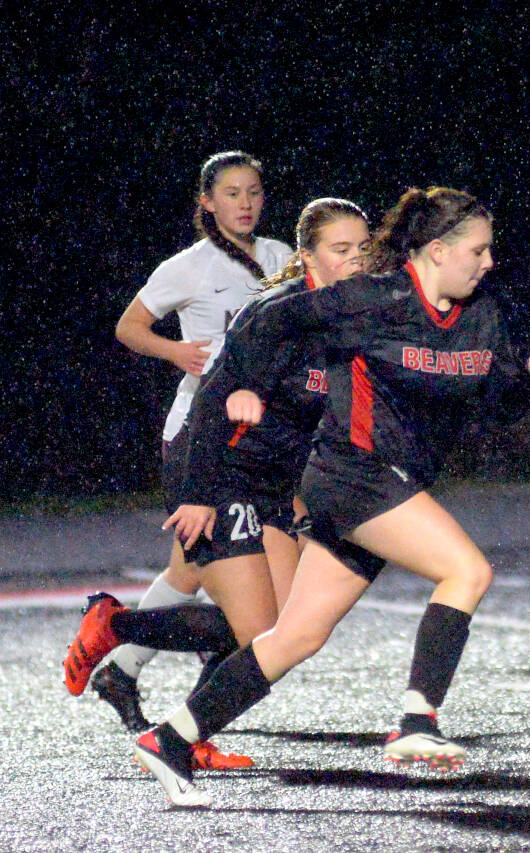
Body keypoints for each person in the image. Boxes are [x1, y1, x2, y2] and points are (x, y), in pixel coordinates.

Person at [130, 186, 530, 807]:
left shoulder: (482, 312)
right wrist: (241, 385)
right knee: (467, 571)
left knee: (293, 638)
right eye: (480, 248)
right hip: (350, 477)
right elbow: (266, 322)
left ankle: (170, 739)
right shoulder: (371, 300)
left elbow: (492, 403)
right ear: (438, 250)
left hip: (392, 484)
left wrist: (527, 380)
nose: (489, 260)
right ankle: (418, 721)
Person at [64, 199, 372, 767]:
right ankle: (117, 628)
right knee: (256, 636)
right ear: (307, 257)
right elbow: (210, 398)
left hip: (272, 484)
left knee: (280, 634)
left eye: (361, 248)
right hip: (220, 473)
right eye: (340, 249)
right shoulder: (279, 314)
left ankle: (185, 727)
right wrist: (198, 494)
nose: (356, 260)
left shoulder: (352, 316)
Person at [67, 152, 291, 735]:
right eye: (232, 194)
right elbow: (128, 327)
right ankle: (184, 707)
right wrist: (176, 352)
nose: (245, 204)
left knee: (193, 570)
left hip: (261, 441)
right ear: (208, 204)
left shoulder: (281, 259)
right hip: (202, 436)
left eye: (254, 193)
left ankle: (123, 670)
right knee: (247, 600)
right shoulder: (188, 267)